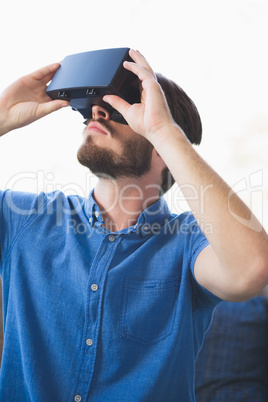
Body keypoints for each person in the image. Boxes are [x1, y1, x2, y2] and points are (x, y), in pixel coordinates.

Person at [0, 49, 267, 402]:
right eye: (96, 105)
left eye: (127, 105)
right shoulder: (26, 217)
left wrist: (163, 130)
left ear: (163, 147)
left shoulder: (189, 243)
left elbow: (252, 268)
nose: (98, 110)